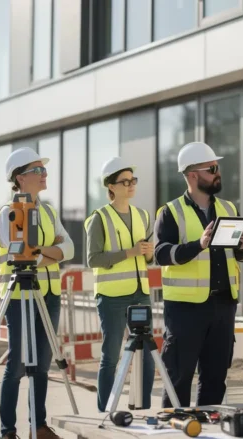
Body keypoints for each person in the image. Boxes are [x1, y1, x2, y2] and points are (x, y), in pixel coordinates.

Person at [153, 141, 243, 408]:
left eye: (217, 167)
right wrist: (198, 244)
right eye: (212, 168)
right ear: (193, 175)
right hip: (186, 309)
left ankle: (207, 428)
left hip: (223, 306)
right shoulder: (170, 212)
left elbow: (236, 256)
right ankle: (173, 427)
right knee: (178, 377)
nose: (218, 172)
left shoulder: (229, 209)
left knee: (215, 378)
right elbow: (161, 254)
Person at [0, 147, 74, 439]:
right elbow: (22, 255)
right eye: (38, 170)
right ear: (20, 178)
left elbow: (70, 249)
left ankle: (37, 426)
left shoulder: (48, 212)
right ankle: (8, 431)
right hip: (18, 297)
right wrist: (52, 252)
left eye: (44, 169)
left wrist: (41, 253)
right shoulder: (6, 215)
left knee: (42, 361)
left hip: (49, 293)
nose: (44, 175)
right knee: (17, 363)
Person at [84, 157, 155, 412]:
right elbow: (92, 259)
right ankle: (106, 411)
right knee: (111, 357)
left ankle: (144, 409)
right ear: (111, 186)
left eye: (133, 180)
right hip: (112, 297)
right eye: (124, 181)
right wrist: (131, 252)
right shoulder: (99, 218)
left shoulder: (143, 215)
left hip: (140, 293)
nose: (131, 185)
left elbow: (148, 257)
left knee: (147, 355)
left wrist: (148, 252)